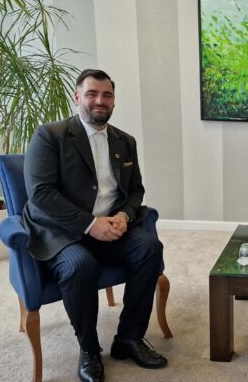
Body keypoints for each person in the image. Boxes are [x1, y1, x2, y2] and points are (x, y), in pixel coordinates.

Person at [23, 69, 167, 382]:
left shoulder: (124, 141)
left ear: (114, 101)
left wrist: (124, 216)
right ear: (77, 97)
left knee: (149, 248)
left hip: (110, 226)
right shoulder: (50, 136)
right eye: (92, 94)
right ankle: (89, 349)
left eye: (107, 95)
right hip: (63, 232)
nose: (100, 100)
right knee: (80, 266)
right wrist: (90, 225)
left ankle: (128, 338)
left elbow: (136, 190)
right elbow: (41, 194)